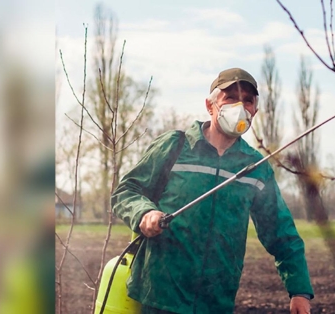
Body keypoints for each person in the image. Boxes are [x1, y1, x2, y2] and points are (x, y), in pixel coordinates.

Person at [112, 68, 314, 314]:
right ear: (210, 105)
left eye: (248, 101)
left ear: (255, 111)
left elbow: (281, 233)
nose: (240, 107)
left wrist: (299, 291)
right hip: (160, 296)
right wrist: (145, 214)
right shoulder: (175, 146)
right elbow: (126, 191)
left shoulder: (255, 167)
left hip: (217, 301)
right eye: (230, 98)